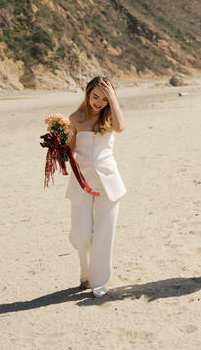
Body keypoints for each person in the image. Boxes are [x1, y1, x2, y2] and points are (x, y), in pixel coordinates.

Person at [66, 76, 126, 297]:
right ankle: (85, 275)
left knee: (104, 232)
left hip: (107, 181)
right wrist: (57, 146)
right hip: (80, 181)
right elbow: (70, 150)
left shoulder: (111, 117)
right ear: (88, 93)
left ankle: (99, 283)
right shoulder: (75, 117)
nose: (99, 102)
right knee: (81, 233)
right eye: (95, 96)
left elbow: (120, 128)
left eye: (104, 98)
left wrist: (113, 99)